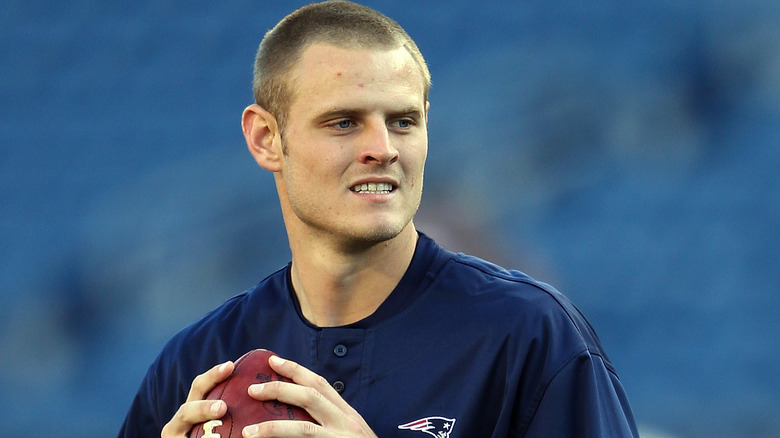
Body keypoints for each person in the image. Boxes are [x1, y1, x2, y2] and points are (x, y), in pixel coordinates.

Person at [118, 1, 639, 437]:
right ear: (266, 139)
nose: (383, 149)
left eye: (403, 121)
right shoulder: (193, 365)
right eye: (344, 122)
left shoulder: (528, 335)